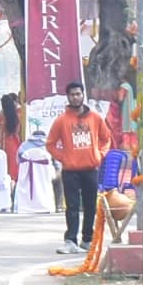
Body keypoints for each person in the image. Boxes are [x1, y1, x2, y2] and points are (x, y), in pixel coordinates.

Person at [47, 82, 107, 251]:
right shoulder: (61, 121)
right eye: (72, 94)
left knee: (90, 206)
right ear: (68, 97)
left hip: (90, 168)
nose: (75, 97)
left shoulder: (95, 118)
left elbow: (106, 138)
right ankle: (70, 241)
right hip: (70, 170)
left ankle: (87, 239)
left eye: (78, 94)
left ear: (83, 95)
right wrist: (64, 158)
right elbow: (50, 144)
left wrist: (99, 155)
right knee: (72, 206)